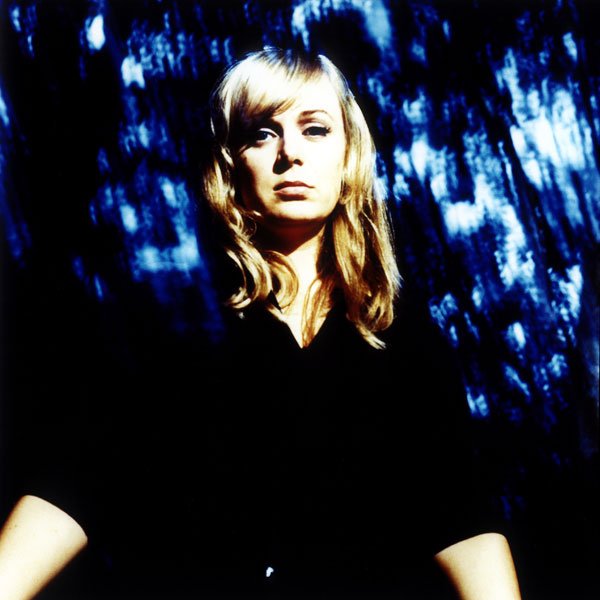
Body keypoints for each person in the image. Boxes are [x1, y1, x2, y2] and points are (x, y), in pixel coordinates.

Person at [0, 46, 522, 599]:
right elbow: (73, 485)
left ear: (348, 155)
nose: (290, 153)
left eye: (315, 129)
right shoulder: (170, 328)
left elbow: (461, 516)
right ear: (231, 165)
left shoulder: (402, 337)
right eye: (262, 133)